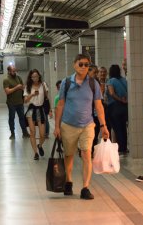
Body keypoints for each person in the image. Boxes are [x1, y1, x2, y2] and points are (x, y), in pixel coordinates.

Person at [54, 54, 109, 200]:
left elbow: (98, 105)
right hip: (68, 125)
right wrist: (57, 127)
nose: (84, 67)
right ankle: (69, 181)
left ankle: (85, 187)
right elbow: (60, 105)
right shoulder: (66, 83)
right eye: (81, 64)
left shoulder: (93, 84)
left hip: (87, 125)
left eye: (87, 65)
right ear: (74, 65)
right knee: (69, 155)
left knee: (86, 154)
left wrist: (103, 125)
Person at [24, 69, 52, 160]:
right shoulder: (28, 87)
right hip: (31, 109)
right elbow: (25, 101)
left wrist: (50, 109)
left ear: (39, 76)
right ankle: (35, 153)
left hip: (41, 109)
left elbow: (47, 98)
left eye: (36, 76)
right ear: (30, 78)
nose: (35, 78)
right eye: (33, 77)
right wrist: (32, 95)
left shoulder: (43, 85)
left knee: (43, 134)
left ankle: (40, 145)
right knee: (32, 132)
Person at [3, 65, 30, 140]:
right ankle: (12, 134)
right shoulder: (6, 80)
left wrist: (24, 95)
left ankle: (25, 133)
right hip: (11, 103)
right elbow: (7, 91)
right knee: (12, 118)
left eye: (15, 71)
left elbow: (23, 88)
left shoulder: (18, 78)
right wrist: (17, 87)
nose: (15, 72)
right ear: (9, 71)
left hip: (20, 102)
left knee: (22, 118)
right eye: (13, 71)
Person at [106, 64, 128, 154]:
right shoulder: (124, 80)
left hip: (114, 107)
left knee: (117, 128)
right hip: (124, 107)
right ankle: (124, 148)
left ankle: (120, 149)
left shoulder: (111, 81)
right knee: (123, 128)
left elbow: (111, 93)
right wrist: (125, 101)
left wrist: (120, 100)